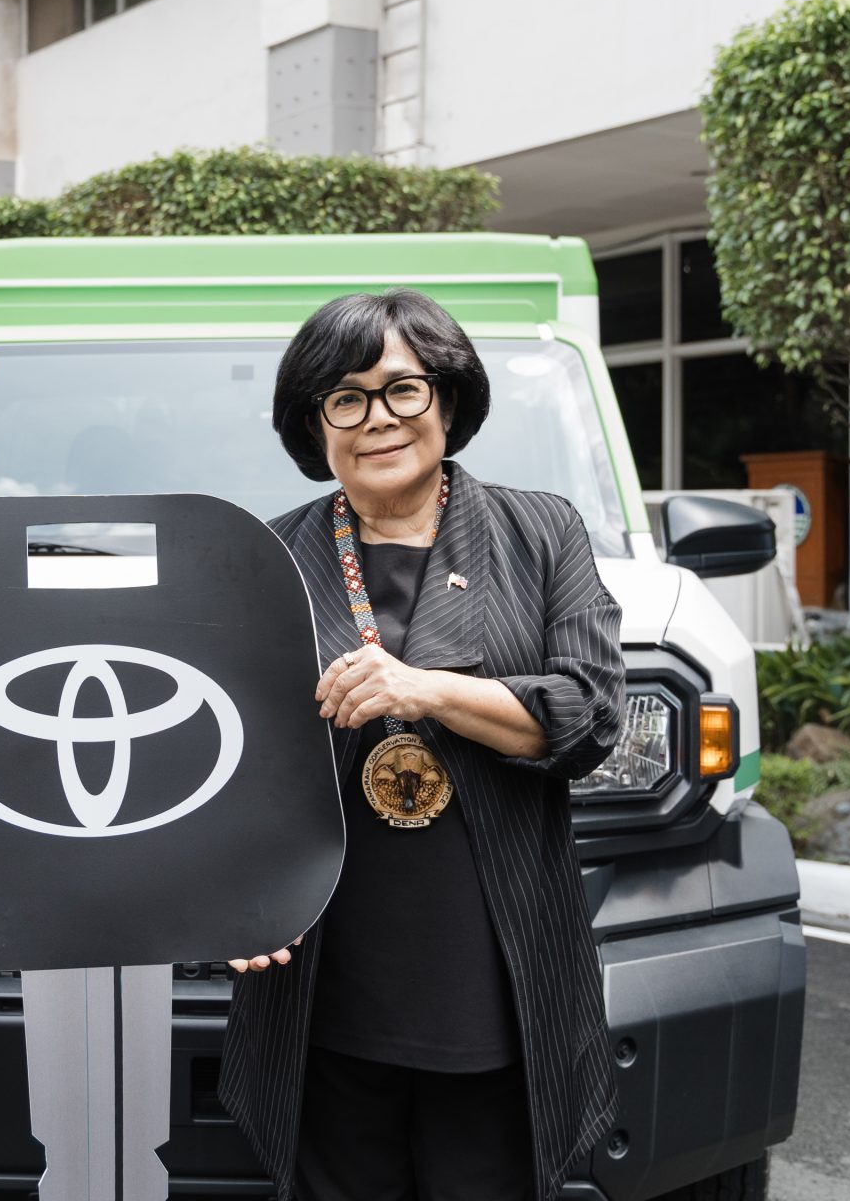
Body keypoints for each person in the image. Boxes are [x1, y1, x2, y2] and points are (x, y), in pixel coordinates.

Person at [218, 290, 626, 1201]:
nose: (378, 419)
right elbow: (226, 759)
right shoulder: (271, 559)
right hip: (324, 981)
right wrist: (229, 906)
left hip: (491, 977)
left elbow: (593, 714)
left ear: (448, 397)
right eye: (345, 398)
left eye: (402, 389)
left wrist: (427, 689)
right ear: (313, 424)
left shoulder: (542, 532)